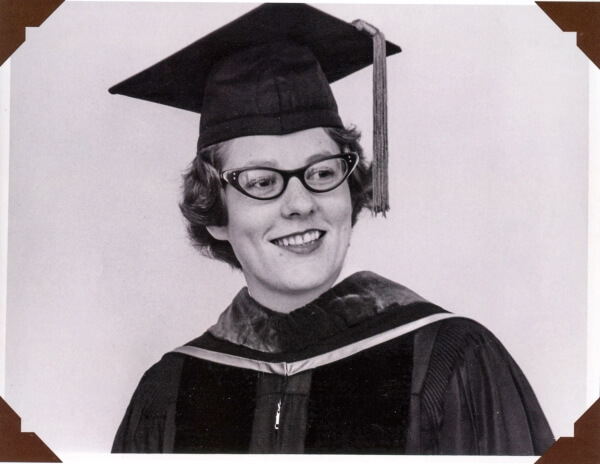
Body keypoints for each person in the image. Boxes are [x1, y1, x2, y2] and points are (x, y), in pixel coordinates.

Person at [109, 3, 554, 454]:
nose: (301, 203)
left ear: (352, 190)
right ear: (217, 215)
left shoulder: (451, 359)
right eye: (262, 181)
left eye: (321, 173)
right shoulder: (168, 392)